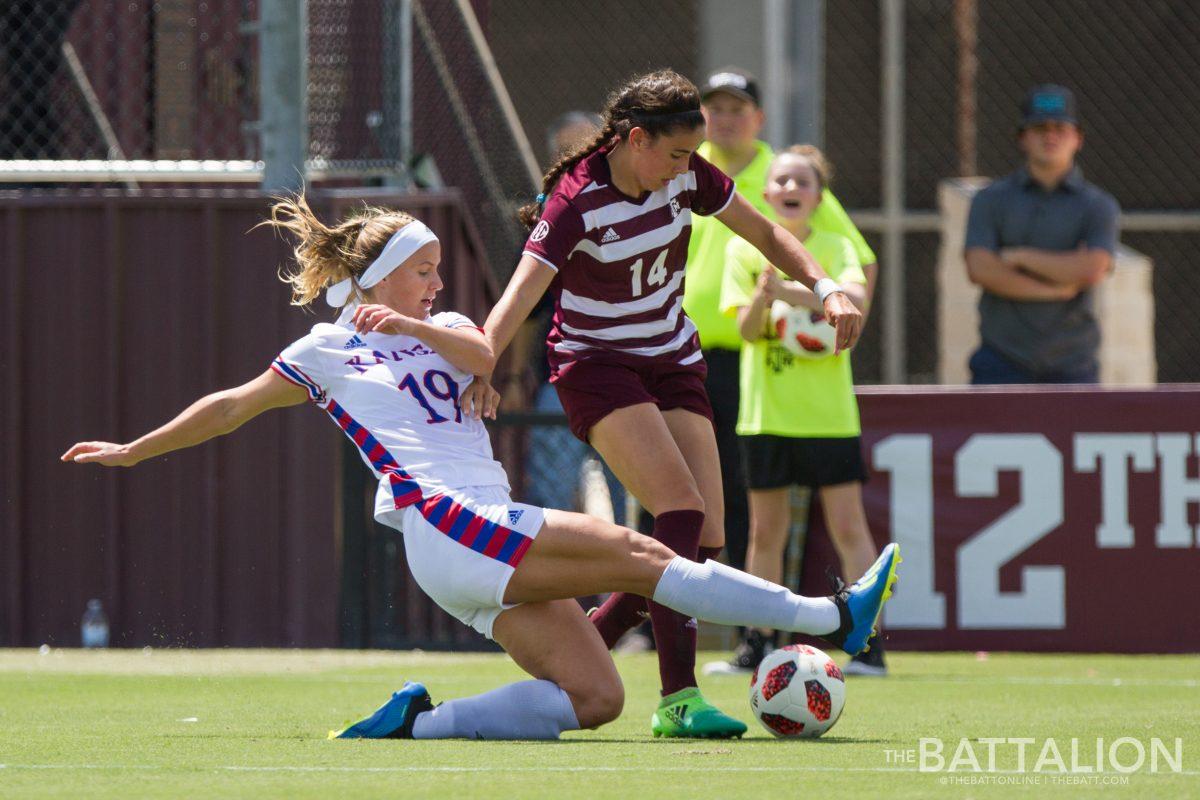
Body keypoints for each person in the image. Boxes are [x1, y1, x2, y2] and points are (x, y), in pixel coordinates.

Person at [60, 196, 900, 741]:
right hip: (449, 527)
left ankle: (414, 726)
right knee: (640, 552)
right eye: (423, 271)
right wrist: (136, 449)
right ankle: (831, 619)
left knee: (596, 699)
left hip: (477, 542)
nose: (437, 283)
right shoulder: (325, 349)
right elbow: (232, 405)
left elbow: (481, 347)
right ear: (382, 274)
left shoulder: (446, 323)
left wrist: (439, 340)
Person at [480, 69, 863, 738]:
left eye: (694, 155)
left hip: (673, 360)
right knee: (679, 512)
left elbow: (767, 234)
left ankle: (585, 652)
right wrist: (481, 366)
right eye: (679, 154)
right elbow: (516, 299)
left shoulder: (687, 175)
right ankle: (677, 698)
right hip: (597, 368)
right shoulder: (576, 201)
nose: (689, 170)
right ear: (635, 141)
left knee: (706, 539)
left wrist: (827, 285)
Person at [684, 66, 880, 578]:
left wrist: (834, 327)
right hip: (679, 353)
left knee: (755, 506)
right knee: (674, 483)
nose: (725, 120)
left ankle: (771, 629)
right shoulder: (682, 165)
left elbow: (856, 261)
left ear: (759, 118)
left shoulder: (783, 172)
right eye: (716, 108)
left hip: (750, 370)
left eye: (737, 109)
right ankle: (659, 622)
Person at [718, 145, 887, 677]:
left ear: (818, 195)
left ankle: (867, 646)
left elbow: (850, 300)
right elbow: (744, 331)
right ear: (765, 194)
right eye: (781, 182)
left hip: (828, 416)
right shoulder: (744, 251)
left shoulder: (835, 247)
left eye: (802, 183)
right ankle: (758, 644)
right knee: (765, 535)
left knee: (848, 529)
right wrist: (763, 300)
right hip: (766, 415)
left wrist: (787, 289)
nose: (791, 190)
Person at [964, 83, 1120, 384]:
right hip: (1000, 360)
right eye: (1039, 128)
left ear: (1078, 138)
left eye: (1060, 128)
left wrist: (1019, 256)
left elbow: (1092, 268)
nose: (1050, 136)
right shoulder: (990, 200)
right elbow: (980, 268)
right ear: (1022, 138)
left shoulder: (1098, 205)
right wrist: (1055, 287)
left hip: (1074, 364)